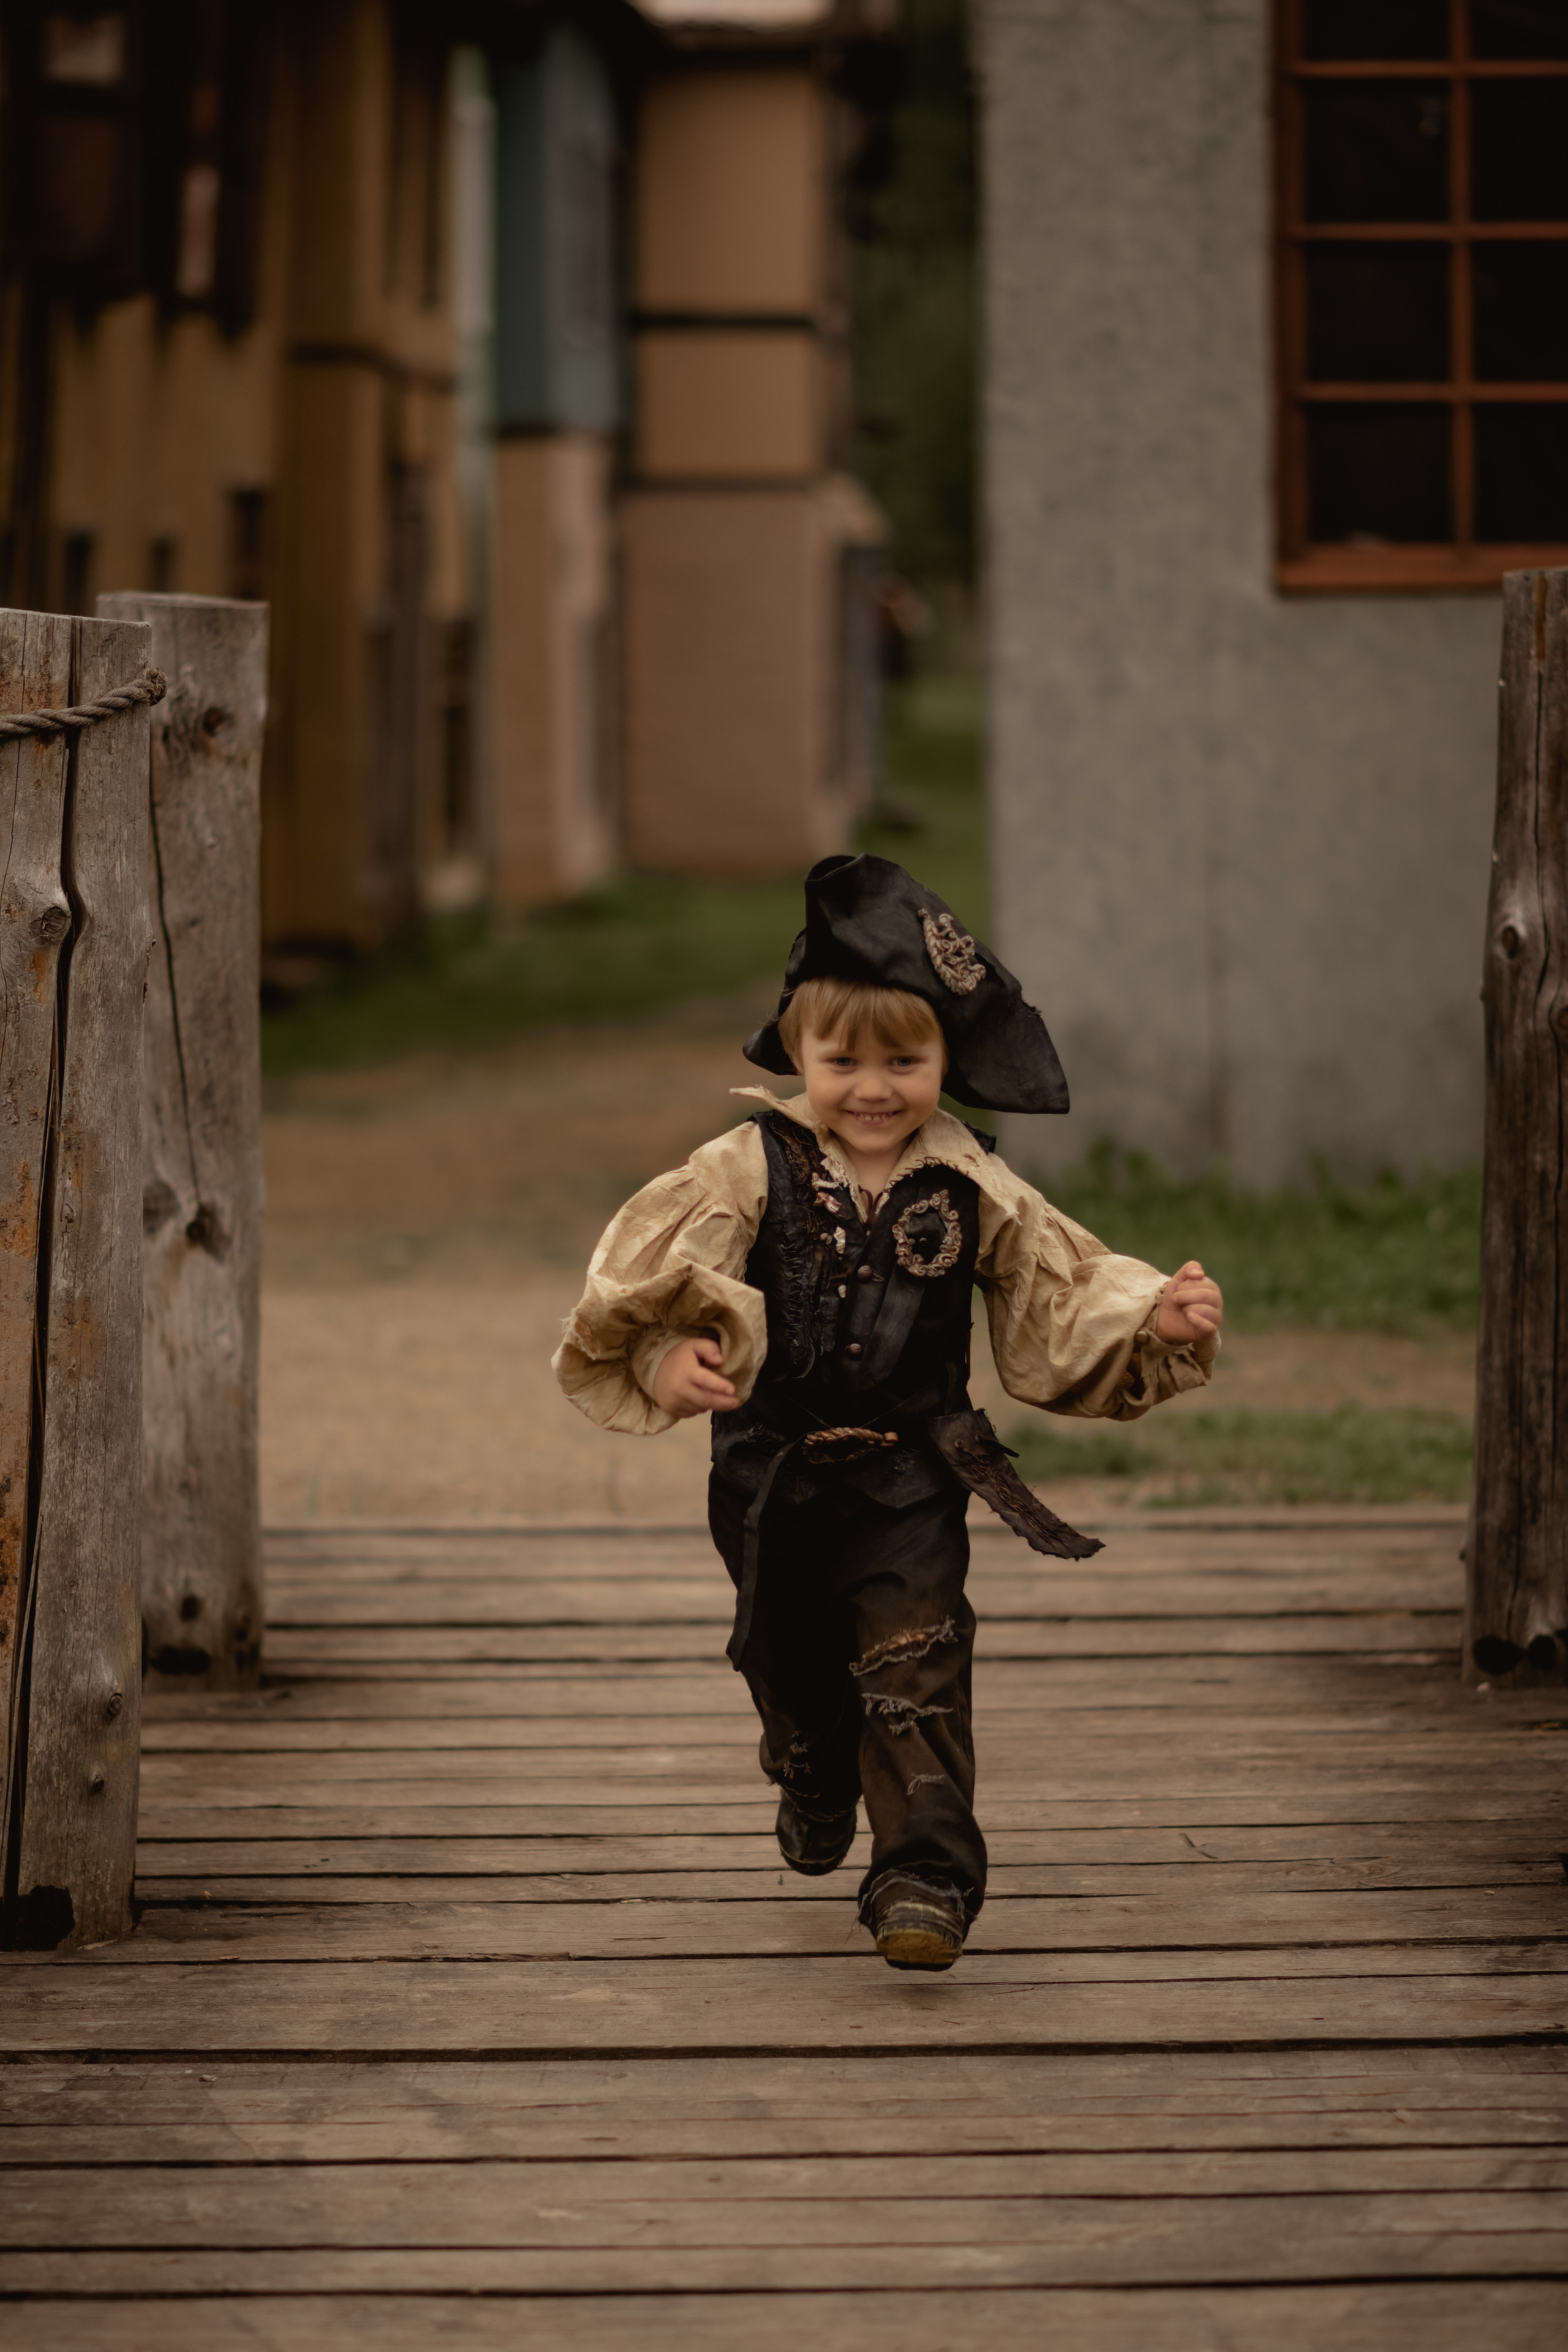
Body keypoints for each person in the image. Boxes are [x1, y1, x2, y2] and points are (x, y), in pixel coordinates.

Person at [554, 854, 1223, 1972]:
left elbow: (1059, 1290)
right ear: (798, 1055)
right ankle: (811, 1765)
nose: (874, 1086)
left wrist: (1157, 1319)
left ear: (945, 1060)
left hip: (913, 1474)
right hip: (770, 1471)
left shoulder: (975, 1184)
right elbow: (650, 1287)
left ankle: (923, 1873)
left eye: (905, 1060)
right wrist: (668, 1357)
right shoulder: (742, 1171)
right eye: (843, 1060)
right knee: (793, 1663)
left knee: (916, 1656)